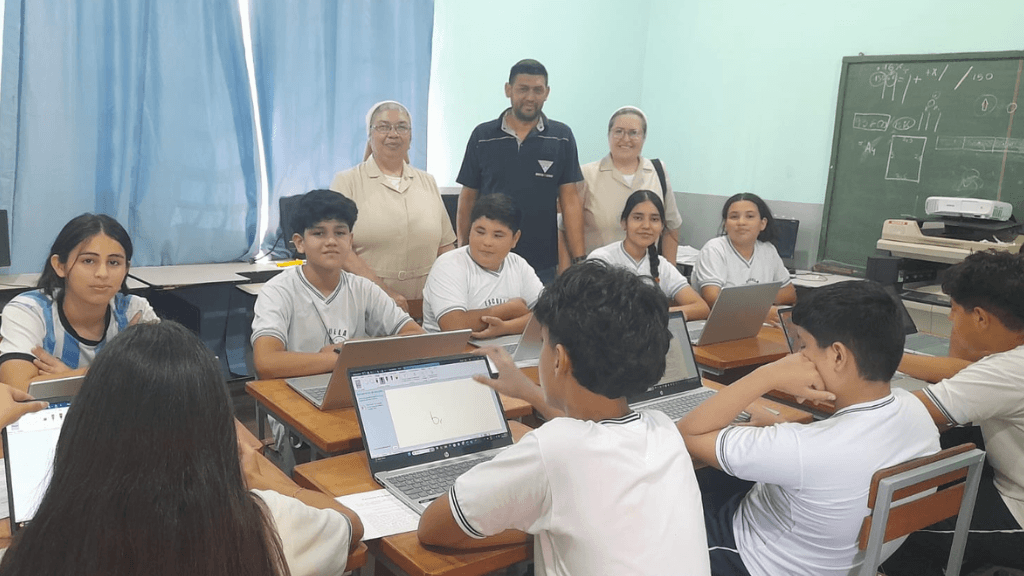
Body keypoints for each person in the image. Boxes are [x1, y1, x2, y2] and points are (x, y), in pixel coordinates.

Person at [0, 321, 362, 576]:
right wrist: (265, 481)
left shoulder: (42, 545)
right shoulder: (267, 523)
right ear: (216, 428)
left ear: (83, 433)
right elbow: (350, 524)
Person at [418, 262, 712, 575]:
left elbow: (433, 528)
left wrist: (536, 521)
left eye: (543, 343)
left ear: (559, 359)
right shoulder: (664, 430)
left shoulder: (551, 449)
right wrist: (530, 392)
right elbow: (590, 426)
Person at [678, 280, 939, 576]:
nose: (796, 357)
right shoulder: (916, 411)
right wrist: (781, 427)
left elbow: (689, 433)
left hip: (750, 557)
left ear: (838, 356)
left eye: (803, 346)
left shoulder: (802, 449)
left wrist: (767, 375)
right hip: (840, 563)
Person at [882, 250, 1024, 575]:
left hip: (1017, 509)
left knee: (893, 528)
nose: (950, 319)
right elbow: (962, 369)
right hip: (1007, 476)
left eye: (954, 310)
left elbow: (901, 414)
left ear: (981, 318)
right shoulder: (1007, 359)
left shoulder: (1007, 370)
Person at [251, 189, 424, 381]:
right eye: (319, 233)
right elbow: (266, 362)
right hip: (292, 390)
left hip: (352, 389)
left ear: (350, 241)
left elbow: (417, 338)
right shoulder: (277, 291)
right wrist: (343, 357)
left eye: (340, 233)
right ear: (300, 243)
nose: (331, 241)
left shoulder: (364, 289)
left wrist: (354, 351)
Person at [455, 59, 585, 284]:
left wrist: (580, 260)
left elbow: (570, 201)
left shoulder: (561, 137)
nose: (530, 97)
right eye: (523, 89)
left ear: (547, 93)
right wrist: (463, 250)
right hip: (487, 261)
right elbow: (468, 198)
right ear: (508, 90)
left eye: (538, 90)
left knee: (538, 309)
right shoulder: (482, 136)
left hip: (541, 264)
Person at [0, 213, 158, 391]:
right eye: (88, 261)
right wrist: (116, 372)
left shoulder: (134, 310)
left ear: (126, 268)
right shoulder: (29, 310)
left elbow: (163, 381)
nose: (102, 273)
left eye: (114, 262)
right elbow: (18, 388)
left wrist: (69, 377)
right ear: (60, 265)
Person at [329, 101, 457, 306]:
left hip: (426, 304)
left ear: (411, 137)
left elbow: (445, 246)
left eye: (402, 127)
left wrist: (451, 290)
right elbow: (339, 248)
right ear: (370, 135)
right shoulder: (347, 182)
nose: (393, 134)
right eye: (383, 127)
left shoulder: (427, 181)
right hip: (365, 303)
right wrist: (384, 293)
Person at [421, 193, 543, 336]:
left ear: (515, 238)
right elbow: (453, 326)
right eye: (480, 232)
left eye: (497, 235)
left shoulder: (518, 264)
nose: (487, 242)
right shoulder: (449, 264)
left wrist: (506, 327)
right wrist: (508, 310)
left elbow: (550, 317)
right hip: (453, 348)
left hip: (506, 346)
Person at [575, 106, 683, 262]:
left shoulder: (657, 171)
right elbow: (565, 230)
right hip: (598, 272)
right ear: (608, 135)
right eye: (618, 131)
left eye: (633, 133)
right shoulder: (586, 174)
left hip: (645, 271)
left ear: (644, 137)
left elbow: (671, 227)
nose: (625, 139)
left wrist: (669, 272)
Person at [588, 190, 709, 320]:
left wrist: (660, 314)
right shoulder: (602, 259)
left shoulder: (662, 266)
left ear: (662, 227)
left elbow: (701, 308)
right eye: (638, 218)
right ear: (624, 223)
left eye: (654, 219)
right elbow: (591, 310)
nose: (646, 226)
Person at [691, 193, 796, 321]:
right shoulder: (714, 249)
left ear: (762, 223)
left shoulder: (768, 250)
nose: (741, 222)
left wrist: (752, 304)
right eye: (734, 217)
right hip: (723, 322)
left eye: (750, 216)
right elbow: (713, 299)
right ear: (725, 224)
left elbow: (789, 293)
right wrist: (758, 310)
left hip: (759, 324)